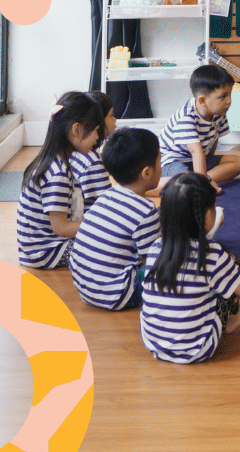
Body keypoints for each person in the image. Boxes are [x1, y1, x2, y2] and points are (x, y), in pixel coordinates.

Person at [141, 172, 240, 363]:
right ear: (206, 215)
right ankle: (230, 322)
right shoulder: (210, 254)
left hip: (154, 343)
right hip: (197, 348)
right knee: (231, 265)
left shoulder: (155, 247)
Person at [69, 128, 162, 310]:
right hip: (117, 294)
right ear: (147, 173)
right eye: (160, 160)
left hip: (84, 287)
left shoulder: (107, 195)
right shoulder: (145, 210)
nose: (162, 166)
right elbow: (156, 256)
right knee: (175, 260)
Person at [16, 92, 103, 268]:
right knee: (109, 244)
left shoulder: (54, 161)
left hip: (40, 247)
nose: (97, 137)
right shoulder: (58, 174)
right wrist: (98, 227)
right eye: (95, 130)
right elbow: (61, 228)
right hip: (46, 251)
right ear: (77, 130)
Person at [155, 65, 240, 195]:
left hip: (196, 159)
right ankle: (150, 188)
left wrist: (205, 175)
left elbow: (214, 138)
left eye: (230, 94)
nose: (229, 101)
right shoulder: (186, 117)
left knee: (237, 163)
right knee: (185, 182)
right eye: (223, 96)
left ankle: (199, 180)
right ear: (202, 100)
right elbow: (196, 151)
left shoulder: (219, 111)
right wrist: (204, 185)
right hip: (173, 160)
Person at [69, 90, 116, 210]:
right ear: (98, 122)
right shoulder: (92, 163)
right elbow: (105, 207)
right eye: (111, 115)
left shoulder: (73, 152)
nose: (115, 119)